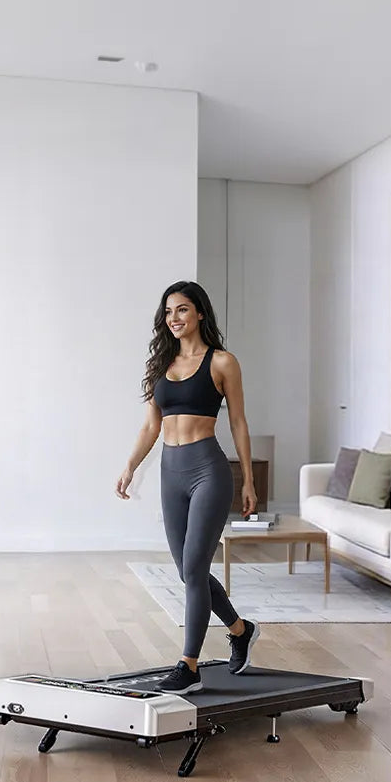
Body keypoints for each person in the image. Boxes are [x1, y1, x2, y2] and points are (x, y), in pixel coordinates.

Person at [116, 280, 261, 694]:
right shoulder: (161, 364)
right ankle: (240, 629)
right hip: (170, 472)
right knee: (186, 570)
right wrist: (130, 465)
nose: (173, 319)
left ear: (199, 312)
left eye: (181, 310)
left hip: (207, 471)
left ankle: (189, 665)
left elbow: (238, 422)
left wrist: (248, 478)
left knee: (195, 568)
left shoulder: (222, 363)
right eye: (167, 312)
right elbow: (151, 426)